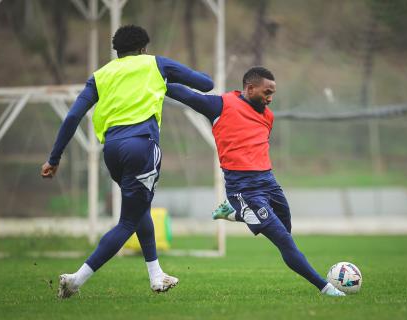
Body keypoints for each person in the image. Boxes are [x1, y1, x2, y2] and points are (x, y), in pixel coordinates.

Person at [40, 25, 214, 299]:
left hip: (112, 150)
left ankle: (156, 275)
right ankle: (76, 279)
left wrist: (54, 158)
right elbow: (206, 84)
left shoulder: (100, 75)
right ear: (144, 48)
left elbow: (73, 117)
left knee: (140, 207)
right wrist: (170, 80)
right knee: (129, 220)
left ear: (117, 51)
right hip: (141, 145)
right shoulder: (155, 64)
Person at [166, 66, 345, 297]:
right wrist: (160, 82)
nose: (270, 98)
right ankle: (325, 287)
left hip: (269, 182)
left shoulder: (268, 116)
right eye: (266, 92)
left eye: (273, 93)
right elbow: (187, 95)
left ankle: (235, 213)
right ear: (250, 88)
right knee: (285, 243)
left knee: (286, 231)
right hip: (243, 188)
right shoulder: (220, 105)